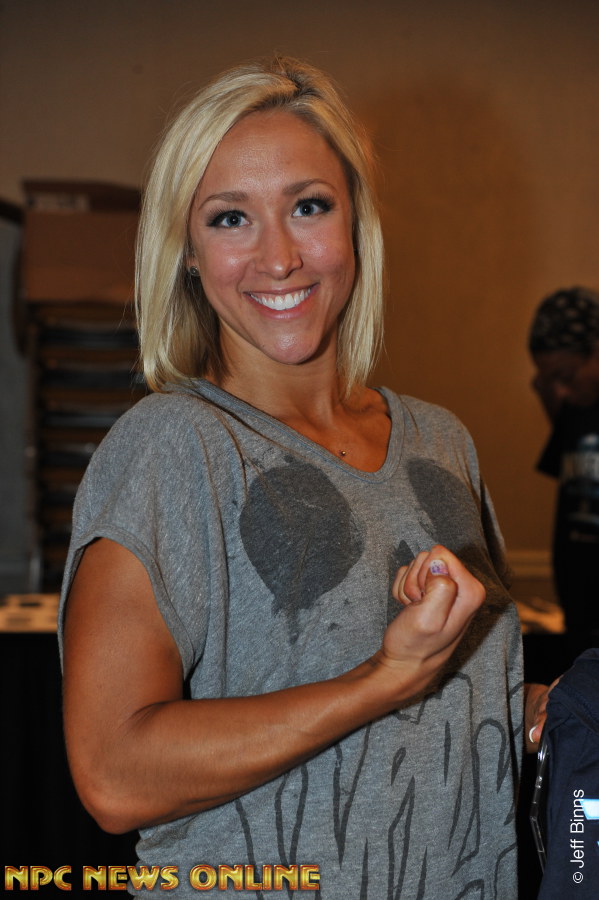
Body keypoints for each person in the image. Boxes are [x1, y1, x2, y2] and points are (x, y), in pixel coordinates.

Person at [60, 57, 548, 898]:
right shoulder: (173, 447)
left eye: (308, 206)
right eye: (230, 218)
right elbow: (114, 775)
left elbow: (431, 726)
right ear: (187, 254)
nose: (279, 257)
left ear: (355, 222)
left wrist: (531, 710)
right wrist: (381, 679)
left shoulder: (441, 443)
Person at [529, 286, 599, 661]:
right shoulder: (574, 412)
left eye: (567, 375)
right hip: (579, 607)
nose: (561, 391)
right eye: (547, 380)